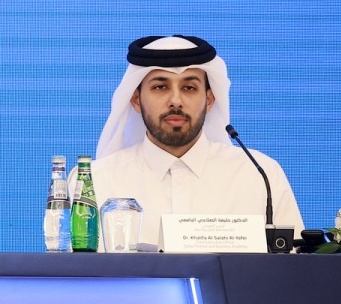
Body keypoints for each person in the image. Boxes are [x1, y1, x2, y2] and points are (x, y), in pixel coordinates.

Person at [89, 35, 303, 250]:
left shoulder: (260, 176)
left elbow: (294, 271)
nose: (175, 101)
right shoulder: (97, 182)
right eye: (160, 87)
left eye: (189, 88)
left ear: (209, 100)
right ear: (136, 100)